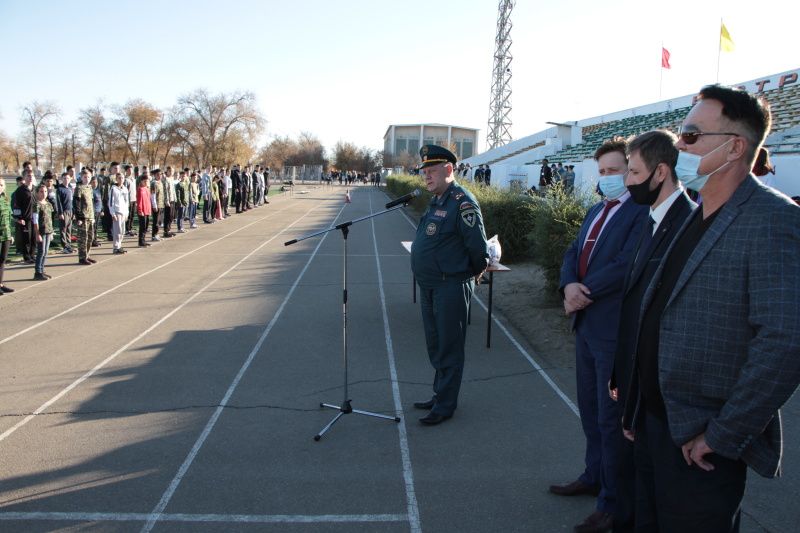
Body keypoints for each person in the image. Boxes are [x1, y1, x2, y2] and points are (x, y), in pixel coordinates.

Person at [622, 84, 800, 533]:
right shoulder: (697, 212)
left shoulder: (774, 219)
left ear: (735, 146)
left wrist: (723, 435)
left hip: (700, 443)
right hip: (652, 424)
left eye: (691, 135)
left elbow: (785, 340)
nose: (679, 144)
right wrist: (636, 406)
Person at [552, 137, 647, 533]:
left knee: (612, 420)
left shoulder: (641, 213)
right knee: (590, 412)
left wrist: (581, 293)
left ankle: (612, 502)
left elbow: (627, 265)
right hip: (586, 325)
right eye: (603, 172)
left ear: (631, 171)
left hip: (611, 329)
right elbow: (574, 253)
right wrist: (568, 285)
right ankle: (594, 476)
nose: (607, 178)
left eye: (614, 171)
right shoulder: (596, 209)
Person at [607, 130, 697, 532]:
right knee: (642, 494)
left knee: (669, 505)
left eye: (634, 172)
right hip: (638, 389)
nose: (627, 181)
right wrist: (621, 378)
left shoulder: (691, 224)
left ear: (661, 172)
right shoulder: (651, 220)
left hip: (669, 401)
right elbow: (634, 311)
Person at [410, 145, 489, 426]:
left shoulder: (462, 202)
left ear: (448, 170)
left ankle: (445, 405)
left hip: (450, 286)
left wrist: (474, 272)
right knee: (436, 345)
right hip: (430, 285)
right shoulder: (437, 200)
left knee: (450, 347)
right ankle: (439, 394)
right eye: (424, 172)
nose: (426, 177)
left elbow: (478, 248)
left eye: (431, 171)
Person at [31, 184, 55, 279]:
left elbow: (50, 219)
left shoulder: (48, 204)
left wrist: (52, 231)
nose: (44, 193)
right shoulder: (37, 205)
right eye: (41, 191)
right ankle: (37, 272)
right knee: (41, 252)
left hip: (48, 230)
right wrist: (37, 234)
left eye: (45, 191)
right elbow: (35, 220)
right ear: (37, 193)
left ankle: (42, 269)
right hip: (41, 231)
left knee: (45, 252)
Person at [73, 169, 96, 265]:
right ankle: (82, 257)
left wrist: (93, 215)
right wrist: (79, 216)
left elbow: (91, 202)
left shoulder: (90, 188)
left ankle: (87, 254)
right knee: (83, 237)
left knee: (90, 237)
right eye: (85, 177)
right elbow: (76, 202)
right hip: (83, 216)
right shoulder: (79, 188)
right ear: (81, 178)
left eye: (88, 177)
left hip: (90, 215)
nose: (87, 179)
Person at [14, 169, 35, 263]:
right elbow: (17, 204)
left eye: (31, 175)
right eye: (28, 176)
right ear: (24, 177)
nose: (30, 178)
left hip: (34, 218)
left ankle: (32, 255)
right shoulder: (20, 190)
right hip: (25, 218)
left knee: (34, 238)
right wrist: (19, 218)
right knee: (27, 238)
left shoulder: (35, 189)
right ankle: (26, 257)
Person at [0, 178, 16, 294]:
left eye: (1, 185)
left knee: (2, 260)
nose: (0, 187)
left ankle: (0, 283)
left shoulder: (5, 200)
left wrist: (10, 235)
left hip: (5, 234)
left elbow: (8, 219)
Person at [110, 172, 129, 253]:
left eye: (122, 178)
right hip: (117, 211)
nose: (121, 179)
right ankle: (116, 247)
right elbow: (111, 202)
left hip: (123, 212)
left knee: (122, 231)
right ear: (116, 179)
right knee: (117, 231)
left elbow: (126, 202)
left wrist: (126, 213)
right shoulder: (113, 188)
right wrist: (113, 213)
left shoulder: (125, 189)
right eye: (119, 178)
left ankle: (119, 245)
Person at [55, 173, 74, 254]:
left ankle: (69, 244)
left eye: (68, 178)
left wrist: (74, 212)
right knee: (63, 229)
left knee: (69, 229)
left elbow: (72, 201)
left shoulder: (70, 188)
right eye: (64, 178)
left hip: (70, 211)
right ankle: (65, 245)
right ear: (62, 179)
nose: (66, 180)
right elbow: (59, 202)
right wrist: (61, 213)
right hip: (64, 211)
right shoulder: (60, 189)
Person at [136, 175, 152, 247]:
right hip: (142, 210)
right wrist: (140, 210)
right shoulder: (140, 189)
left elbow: (149, 200)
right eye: (144, 181)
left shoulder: (148, 189)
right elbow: (139, 200)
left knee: (146, 226)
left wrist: (149, 209)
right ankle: (141, 241)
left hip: (147, 210)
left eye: (147, 181)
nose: (146, 182)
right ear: (141, 181)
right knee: (142, 226)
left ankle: (144, 240)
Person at [150, 169, 165, 242]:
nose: (159, 176)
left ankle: (157, 233)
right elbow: (153, 195)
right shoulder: (154, 183)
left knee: (159, 220)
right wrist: (154, 205)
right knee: (155, 221)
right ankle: (154, 234)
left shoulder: (160, 182)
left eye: (160, 174)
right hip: (157, 204)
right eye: (157, 174)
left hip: (161, 204)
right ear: (154, 175)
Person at [123, 165, 138, 236]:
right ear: (126, 171)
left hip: (133, 199)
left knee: (132, 215)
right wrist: (127, 201)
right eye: (128, 170)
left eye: (131, 170)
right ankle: (127, 230)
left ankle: (130, 229)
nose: (130, 171)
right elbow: (125, 191)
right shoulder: (125, 180)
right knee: (128, 216)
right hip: (128, 200)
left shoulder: (133, 179)